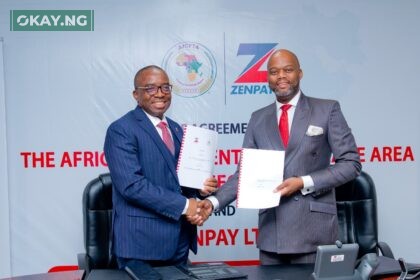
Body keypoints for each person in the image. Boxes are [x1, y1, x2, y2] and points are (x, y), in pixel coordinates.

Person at [197, 49, 361, 264]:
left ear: (300, 73)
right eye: (274, 71)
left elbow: (351, 163)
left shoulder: (326, 109)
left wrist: (303, 182)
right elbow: (244, 174)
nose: (281, 76)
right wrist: (212, 202)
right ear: (267, 78)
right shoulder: (258, 118)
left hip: (313, 231)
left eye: (288, 70)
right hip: (272, 233)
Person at [104, 65, 217, 270]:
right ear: (136, 94)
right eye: (150, 88)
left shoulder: (176, 129)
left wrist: (199, 189)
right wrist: (186, 206)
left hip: (179, 242)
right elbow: (131, 185)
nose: (160, 94)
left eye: (165, 88)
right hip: (140, 245)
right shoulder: (121, 129)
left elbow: (178, 182)